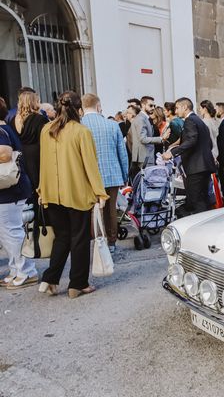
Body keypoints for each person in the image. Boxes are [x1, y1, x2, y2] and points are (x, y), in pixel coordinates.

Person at [38, 91, 108, 298]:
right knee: (79, 238)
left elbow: (43, 163)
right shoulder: (81, 131)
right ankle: (77, 284)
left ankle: (50, 279)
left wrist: (42, 189)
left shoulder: (46, 130)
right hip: (77, 192)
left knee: (61, 238)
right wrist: (99, 193)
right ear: (78, 109)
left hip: (51, 193)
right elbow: (90, 166)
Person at [80, 93, 129, 254]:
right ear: (99, 106)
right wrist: (124, 174)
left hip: (87, 176)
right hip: (112, 174)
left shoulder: (79, 125)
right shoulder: (112, 125)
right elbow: (122, 152)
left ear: (82, 108)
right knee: (110, 211)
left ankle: (95, 241)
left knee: (90, 210)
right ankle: (112, 243)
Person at [0, 97, 39, 289]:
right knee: (7, 232)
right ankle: (16, 269)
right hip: (11, 190)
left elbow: (5, 154)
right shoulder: (6, 128)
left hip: (10, 190)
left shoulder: (1, 130)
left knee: (12, 232)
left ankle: (26, 271)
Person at [162, 97, 216, 216]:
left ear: (185, 107)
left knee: (197, 201)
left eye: (177, 108)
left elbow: (191, 140)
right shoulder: (199, 120)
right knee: (203, 199)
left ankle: (201, 230)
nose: (175, 111)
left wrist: (172, 152)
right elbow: (209, 144)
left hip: (196, 167)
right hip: (203, 166)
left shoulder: (190, 121)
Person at [11, 91, 48, 197]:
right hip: (37, 156)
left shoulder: (14, 120)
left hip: (20, 156)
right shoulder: (40, 119)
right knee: (39, 189)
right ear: (34, 102)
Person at [128, 96, 162, 179]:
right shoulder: (141, 118)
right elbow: (142, 138)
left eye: (154, 106)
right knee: (147, 183)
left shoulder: (144, 118)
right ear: (143, 105)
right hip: (144, 156)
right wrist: (161, 139)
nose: (153, 108)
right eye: (150, 105)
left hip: (144, 155)